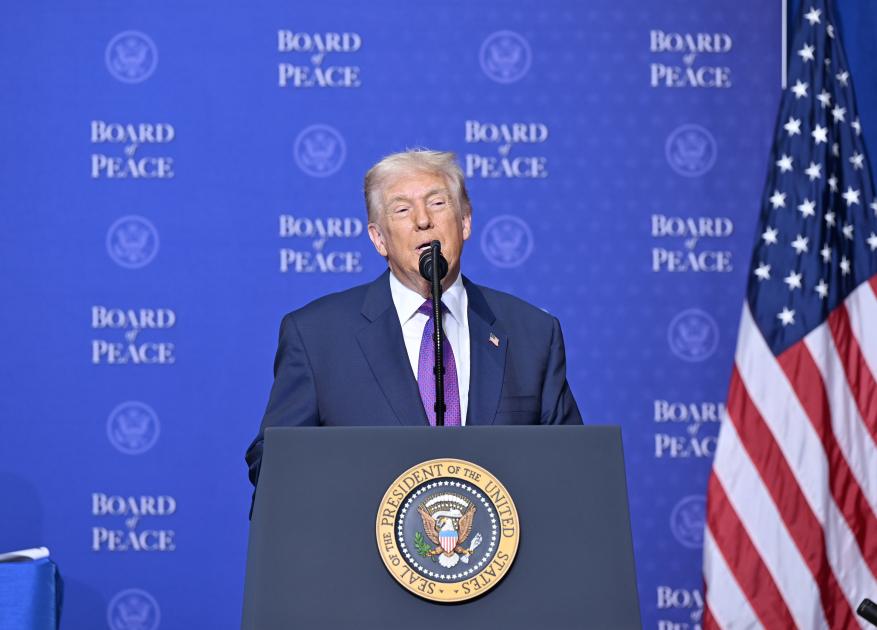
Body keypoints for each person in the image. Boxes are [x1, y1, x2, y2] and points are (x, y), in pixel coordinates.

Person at [246, 149, 582, 488]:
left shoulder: (532, 334)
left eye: (437, 203)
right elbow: (274, 463)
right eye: (402, 209)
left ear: (465, 221)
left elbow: (573, 469)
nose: (423, 220)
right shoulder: (317, 337)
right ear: (379, 238)